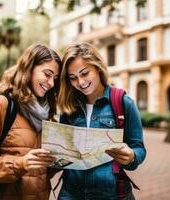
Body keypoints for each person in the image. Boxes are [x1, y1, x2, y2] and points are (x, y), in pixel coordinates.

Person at [0, 44, 62, 200]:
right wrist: (19, 164)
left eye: (55, 79)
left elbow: (40, 172)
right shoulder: (1, 104)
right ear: (29, 68)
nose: (51, 83)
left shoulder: (47, 115)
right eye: (47, 74)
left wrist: (59, 162)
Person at [57, 42, 146, 200]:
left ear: (97, 67)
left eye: (84, 73)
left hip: (111, 194)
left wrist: (131, 156)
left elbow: (138, 148)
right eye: (73, 78)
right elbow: (62, 154)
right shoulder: (69, 108)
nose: (80, 82)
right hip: (71, 193)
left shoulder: (124, 103)